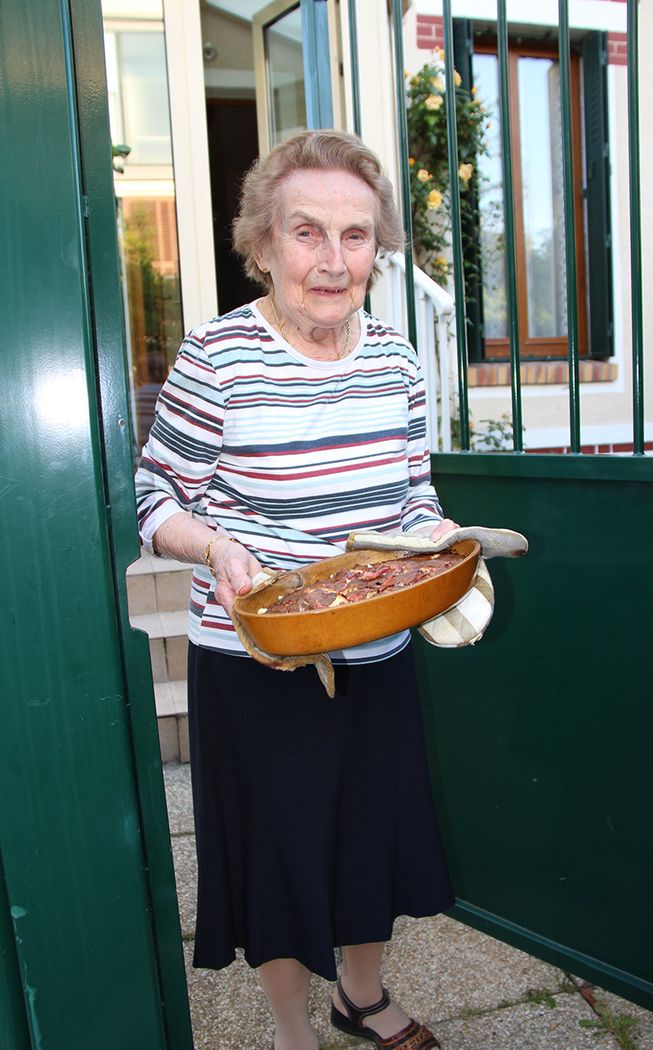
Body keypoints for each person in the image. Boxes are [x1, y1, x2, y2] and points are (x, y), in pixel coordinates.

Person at [135, 130, 459, 1050]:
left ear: (377, 250)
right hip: (256, 654)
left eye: (355, 237)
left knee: (370, 841)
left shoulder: (397, 359)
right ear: (264, 243)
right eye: (307, 232)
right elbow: (155, 496)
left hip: (375, 644)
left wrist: (439, 538)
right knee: (278, 860)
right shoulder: (219, 357)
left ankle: (362, 996)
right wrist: (213, 546)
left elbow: (413, 494)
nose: (332, 260)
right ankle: (291, 1030)